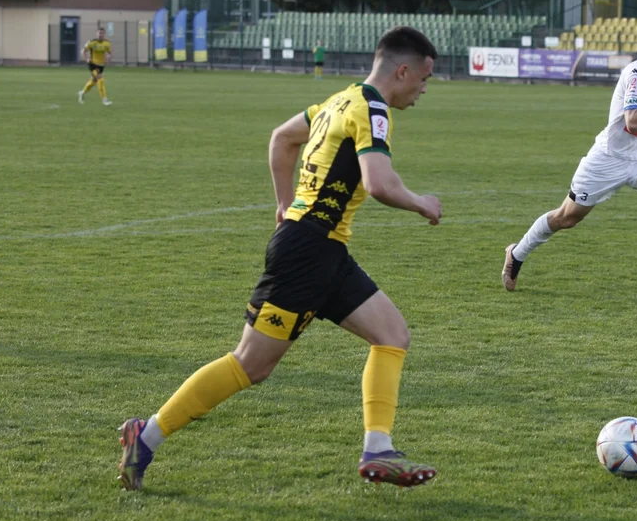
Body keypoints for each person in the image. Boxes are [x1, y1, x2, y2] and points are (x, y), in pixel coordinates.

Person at [117, 27, 443, 490]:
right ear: (403, 70)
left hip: (325, 248)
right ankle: (144, 436)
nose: (424, 89)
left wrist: (283, 203)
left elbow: (281, 139)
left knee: (392, 335)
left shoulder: (335, 102)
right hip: (307, 251)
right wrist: (421, 203)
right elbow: (379, 184)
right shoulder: (371, 108)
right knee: (252, 364)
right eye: (425, 78)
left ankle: (378, 449)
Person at [502, 14, 637, 290]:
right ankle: (516, 253)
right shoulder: (636, 73)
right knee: (566, 218)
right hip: (607, 158)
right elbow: (633, 120)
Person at [79, 27, 112, 105]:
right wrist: (87, 59)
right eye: (99, 33)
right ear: (96, 34)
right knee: (100, 79)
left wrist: (107, 59)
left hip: (101, 66)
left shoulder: (107, 43)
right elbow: (83, 51)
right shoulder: (92, 42)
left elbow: (109, 53)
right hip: (93, 64)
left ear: (104, 34)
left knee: (93, 81)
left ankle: (82, 92)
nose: (100, 35)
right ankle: (105, 100)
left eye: (102, 33)